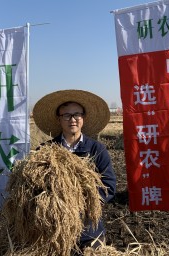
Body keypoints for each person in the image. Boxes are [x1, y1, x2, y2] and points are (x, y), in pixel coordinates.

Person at [32, 89, 116, 252]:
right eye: (67, 115)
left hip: (89, 231)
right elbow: (34, 186)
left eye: (77, 114)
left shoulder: (96, 150)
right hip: (53, 232)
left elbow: (109, 186)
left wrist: (79, 202)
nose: (73, 119)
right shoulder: (45, 150)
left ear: (83, 118)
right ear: (59, 119)